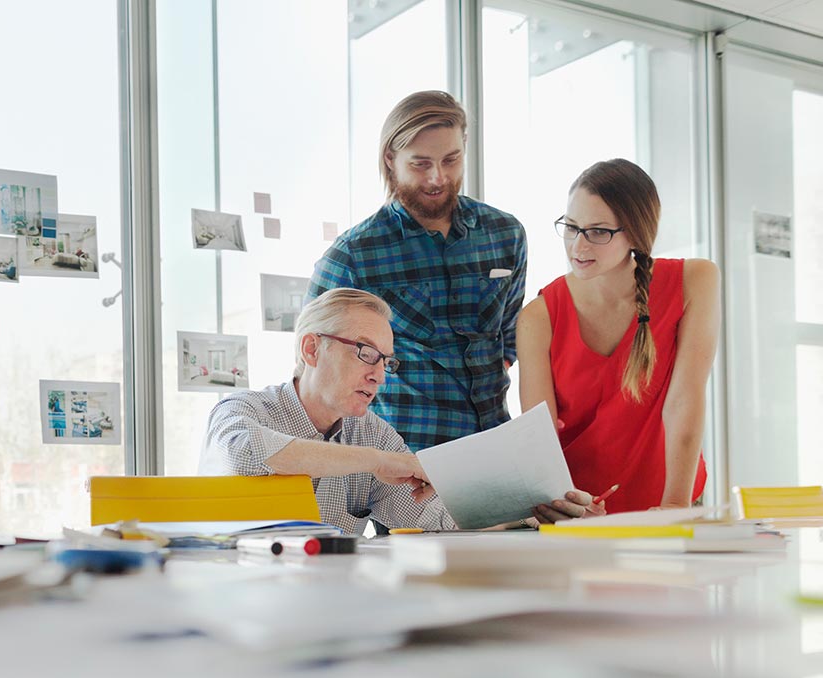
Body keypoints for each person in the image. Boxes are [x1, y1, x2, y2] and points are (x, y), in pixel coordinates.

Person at [199, 289, 603, 534]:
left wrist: (537, 515)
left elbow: (438, 517)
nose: (379, 376)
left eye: (386, 362)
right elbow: (245, 455)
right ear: (310, 349)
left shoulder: (373, 434)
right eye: (365, 353)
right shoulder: (242, 409)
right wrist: (375, 462)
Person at [307, 90, 528, 453]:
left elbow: (510, 337)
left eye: (451, 160)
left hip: (496, 449)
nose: (437, 178)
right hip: (404, 461)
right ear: (391, 159)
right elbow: (317, 368)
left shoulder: (506, 235)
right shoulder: (353, 256)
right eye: (421, 164)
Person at [516, 159, 720, 516]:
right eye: (572, 227)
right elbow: (539, 438)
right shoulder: (538, 316)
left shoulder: (695, 281)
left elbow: (684, 402)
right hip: (576, 510)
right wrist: (570, 508)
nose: (578, 245)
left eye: (598, 231)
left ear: (636, 234)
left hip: (670, 503)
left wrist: (674, 506)